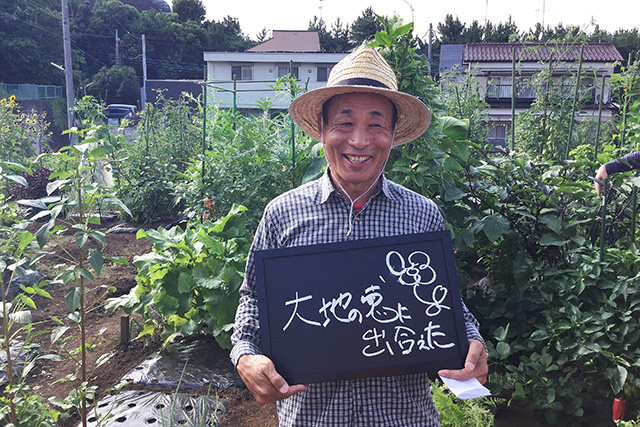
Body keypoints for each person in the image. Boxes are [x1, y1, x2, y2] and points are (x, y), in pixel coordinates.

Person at [230, 46, 488, 426]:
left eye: (376, 124)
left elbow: (442, 299)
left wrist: (472, 341)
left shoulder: (421, 215)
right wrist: (246, 356)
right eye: (345, 123)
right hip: (313, 418)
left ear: (393, 134)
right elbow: (254, 298)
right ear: (321, 129)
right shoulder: (283, 214)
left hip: (403, 418)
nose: (360, 141)